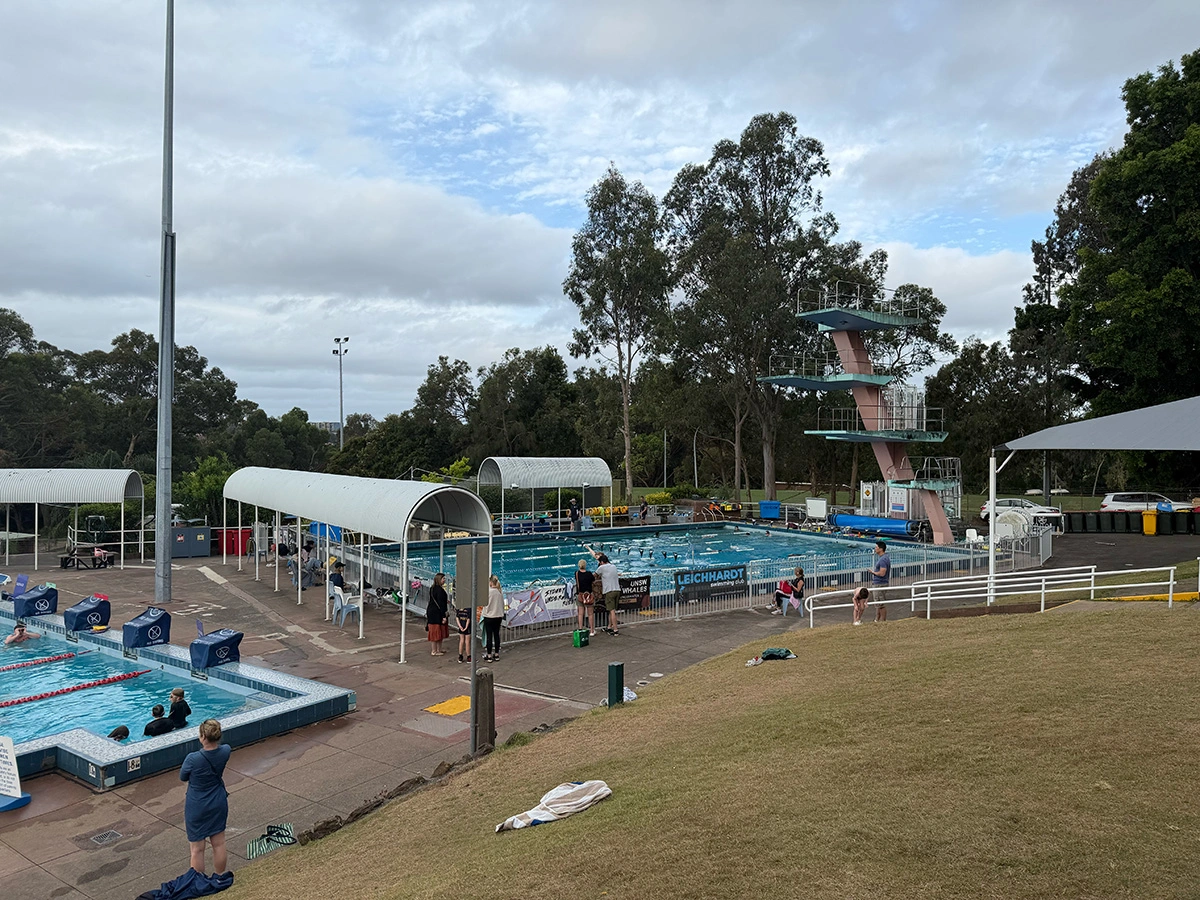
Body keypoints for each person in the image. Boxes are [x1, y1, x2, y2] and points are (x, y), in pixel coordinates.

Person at [180, 718, 231, 875]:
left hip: (197, 804)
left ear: (202, 737)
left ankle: (199, 882)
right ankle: (220, 877)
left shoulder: (192, 758)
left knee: (197, 849)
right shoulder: (225, 751)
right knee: (219, 843)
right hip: (218, 800)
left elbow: (183, 776)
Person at [592, 551, 621, 635]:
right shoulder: (614, 566)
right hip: (617, 590)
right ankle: (609, 627)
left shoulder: (601, 567)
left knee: (612, 611)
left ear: (601, 562)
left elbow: (594, 576)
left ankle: (615, 630)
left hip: (609, 591)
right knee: (611, 610)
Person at [482, 574, 505, 662]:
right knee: (496, 635)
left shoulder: (488, 592)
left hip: (489, 616)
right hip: (498, 616)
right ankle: (496, 654)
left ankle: (489, 655)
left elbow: (484, 604)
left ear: (491, 582)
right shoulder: (499, 592)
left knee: (489, 636)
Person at [426, 573, 449, 657]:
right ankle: (435, 650)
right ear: (439, 579)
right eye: (443, 579)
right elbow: (441, 604)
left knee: (436, 631)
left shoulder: (432, 588)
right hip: (437, 613)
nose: (444, 580)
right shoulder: (440, 590)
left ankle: (437, 649)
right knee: (437, 631)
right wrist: (444, 616)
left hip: (432, 611)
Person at [870, 540, 892, 622]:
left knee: (880, 603)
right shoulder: (884, 558)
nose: (875, 549)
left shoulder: (883, 560)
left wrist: (874, 573)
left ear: (881, 549)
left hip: (880, 583)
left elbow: (882, 573)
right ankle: (877, 619)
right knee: (878, 602)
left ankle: (883, 620)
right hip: (879, 583)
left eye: (876, 547)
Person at [574, 559, 596, 636]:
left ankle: (580, 629)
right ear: (585, 565)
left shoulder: (576, 573)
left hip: (580, 595)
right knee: (590, 614)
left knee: (580, 614)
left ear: (579, 565)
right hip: (589, 595)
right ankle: (592, 631)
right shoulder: (589, 574)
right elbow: (593, 580)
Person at [455, 592, 472, 664]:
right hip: (467, 627)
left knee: (461, 641)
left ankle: (460, 656)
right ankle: (468, 657)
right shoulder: (469, 608)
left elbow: (457, 617)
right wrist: (466, 627)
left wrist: (460, 626)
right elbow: (468, 619)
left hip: (461, 625)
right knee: (467, 642)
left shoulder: (458, 607)